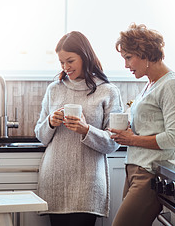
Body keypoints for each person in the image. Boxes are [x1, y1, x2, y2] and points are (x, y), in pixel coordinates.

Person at [34, 31, 123, 226]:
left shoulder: (108, 91)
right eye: (61, 62)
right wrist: (50, 122)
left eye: (70, 61)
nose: (66, 67)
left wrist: (86, 130)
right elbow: (40, 136)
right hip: (55, 179)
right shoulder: (54, 89)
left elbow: (114, 142)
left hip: (88, 182)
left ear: (85, 56)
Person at [110, 23, 175, 226]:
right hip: (136, 168)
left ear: (144, 54)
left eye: (129, 57)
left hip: (150, 172)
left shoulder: (171, 85)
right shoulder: (151, 83)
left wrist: (132, 139)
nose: (126, 65)